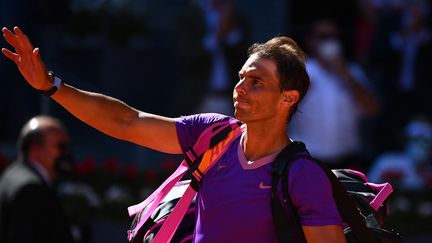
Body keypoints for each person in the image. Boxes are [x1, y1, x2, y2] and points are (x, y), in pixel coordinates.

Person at [2, 26, 346, 242]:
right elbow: (127, 121)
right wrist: (52, 86)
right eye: (241, 77)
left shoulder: (303, 176)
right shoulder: (213, 134)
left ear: (288, 98)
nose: (240, 88)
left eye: (257, 82)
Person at [289, 19, 379, 168]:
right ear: (311, 41)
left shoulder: (352, 71)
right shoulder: (300, 71)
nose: (330, 42)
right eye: (324, 37)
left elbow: (372, 109)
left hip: (347, 161)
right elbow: (280, 109)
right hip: (307, 160)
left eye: (334, 37)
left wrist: (343, 72)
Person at [0, 115, 75, 243]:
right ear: (35, 149)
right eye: (61, 147)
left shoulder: (12, 173)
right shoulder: (31, 189)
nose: (66, 154)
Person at [368, 117, 432, 191]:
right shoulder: (388, 162)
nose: (420, 146)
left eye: (425, 142)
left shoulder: (429, 172)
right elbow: (369, 191)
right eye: (415, 140)